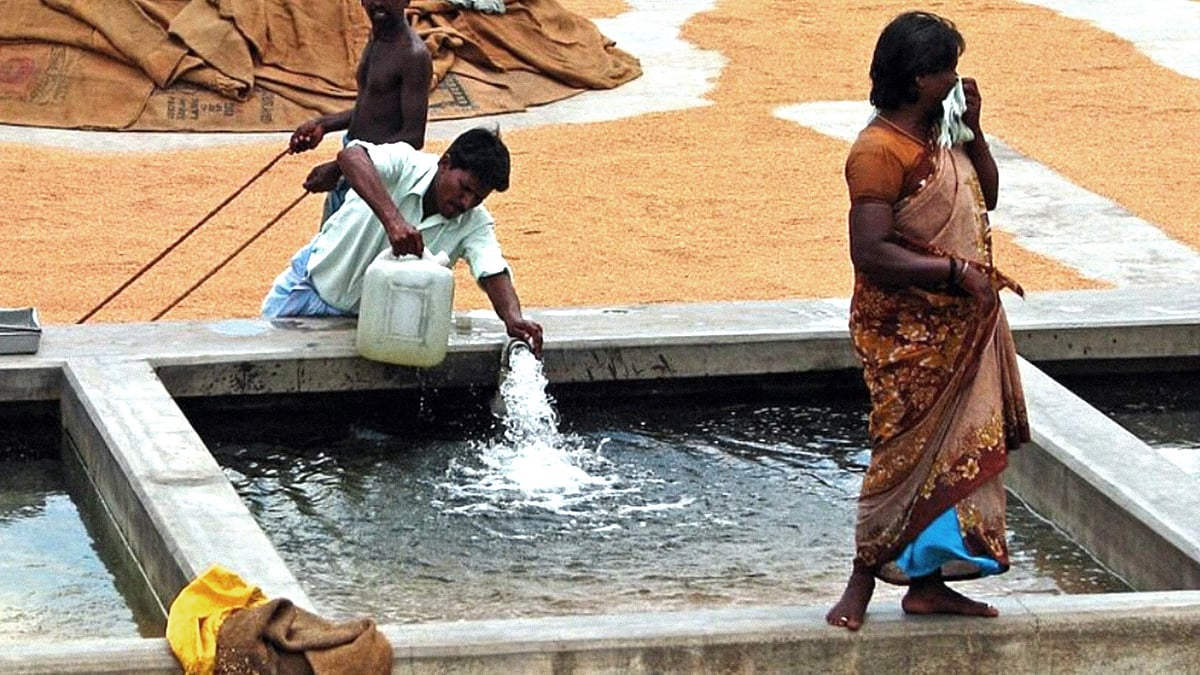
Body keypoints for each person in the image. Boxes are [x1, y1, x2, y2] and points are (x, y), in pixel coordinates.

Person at [825, 11, 1029, 631]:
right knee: (900, 454)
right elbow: (871, 250)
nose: (956, 80)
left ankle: (928, 584)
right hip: (909, 334)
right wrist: (953, 272)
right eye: (948, 71)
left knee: (951, 456)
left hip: (960, 325)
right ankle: (860, 583)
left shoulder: (945, 133)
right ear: (919, 79)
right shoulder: (878, 151)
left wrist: (975, 132)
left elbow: (988, 197)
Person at [262, 127, 544, 356]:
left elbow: (492, 269)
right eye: (464, 188)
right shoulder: (405, 163)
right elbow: (351, 156)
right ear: (445, 163)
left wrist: (513, 318)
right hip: (308, 286)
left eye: (478, 198)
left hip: (369, 326)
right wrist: (393, 220)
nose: (466, 202)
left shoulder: (475, 223)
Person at [289, 0, 433, 222]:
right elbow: (372, 107)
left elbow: (413, 137)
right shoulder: (376, 36)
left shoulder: (413, 56)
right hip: (353, 159)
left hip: (375, 177)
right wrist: (323, 125)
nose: (378, 2)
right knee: (331, 236)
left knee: (343, 240)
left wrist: (340, 168)